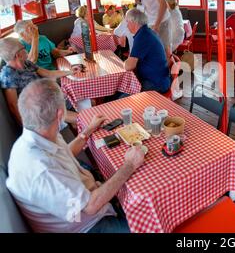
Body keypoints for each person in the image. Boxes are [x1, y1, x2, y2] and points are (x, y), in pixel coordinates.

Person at [6, 79, 145, 233]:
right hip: (87, 226)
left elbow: (64, 154)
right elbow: (91, 206)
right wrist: (130, 165)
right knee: (146, 223)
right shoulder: (42, 170)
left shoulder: (39, 132)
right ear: (60, 114)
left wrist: (87, 131)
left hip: (82, 202)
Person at [0, 37, 79, 125]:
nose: (27, 49)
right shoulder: (8, 75)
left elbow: (48, 73)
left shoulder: (27, 63)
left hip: (51, 97)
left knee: (87, 101)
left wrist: (70, 71)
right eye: (23, 48)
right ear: (18, 55)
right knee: (81, 119)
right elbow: (13, 105)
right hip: (40, 108)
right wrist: (26, 128)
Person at [123, 9, 170, 93]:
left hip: (155, 84)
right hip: (160, 79)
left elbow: (129, 66)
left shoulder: (142, 37)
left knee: (122, 99)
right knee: (124, 90)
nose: (126, 25)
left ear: (133, 22)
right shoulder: (147, 32)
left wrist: (125, 62)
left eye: (127, 22)